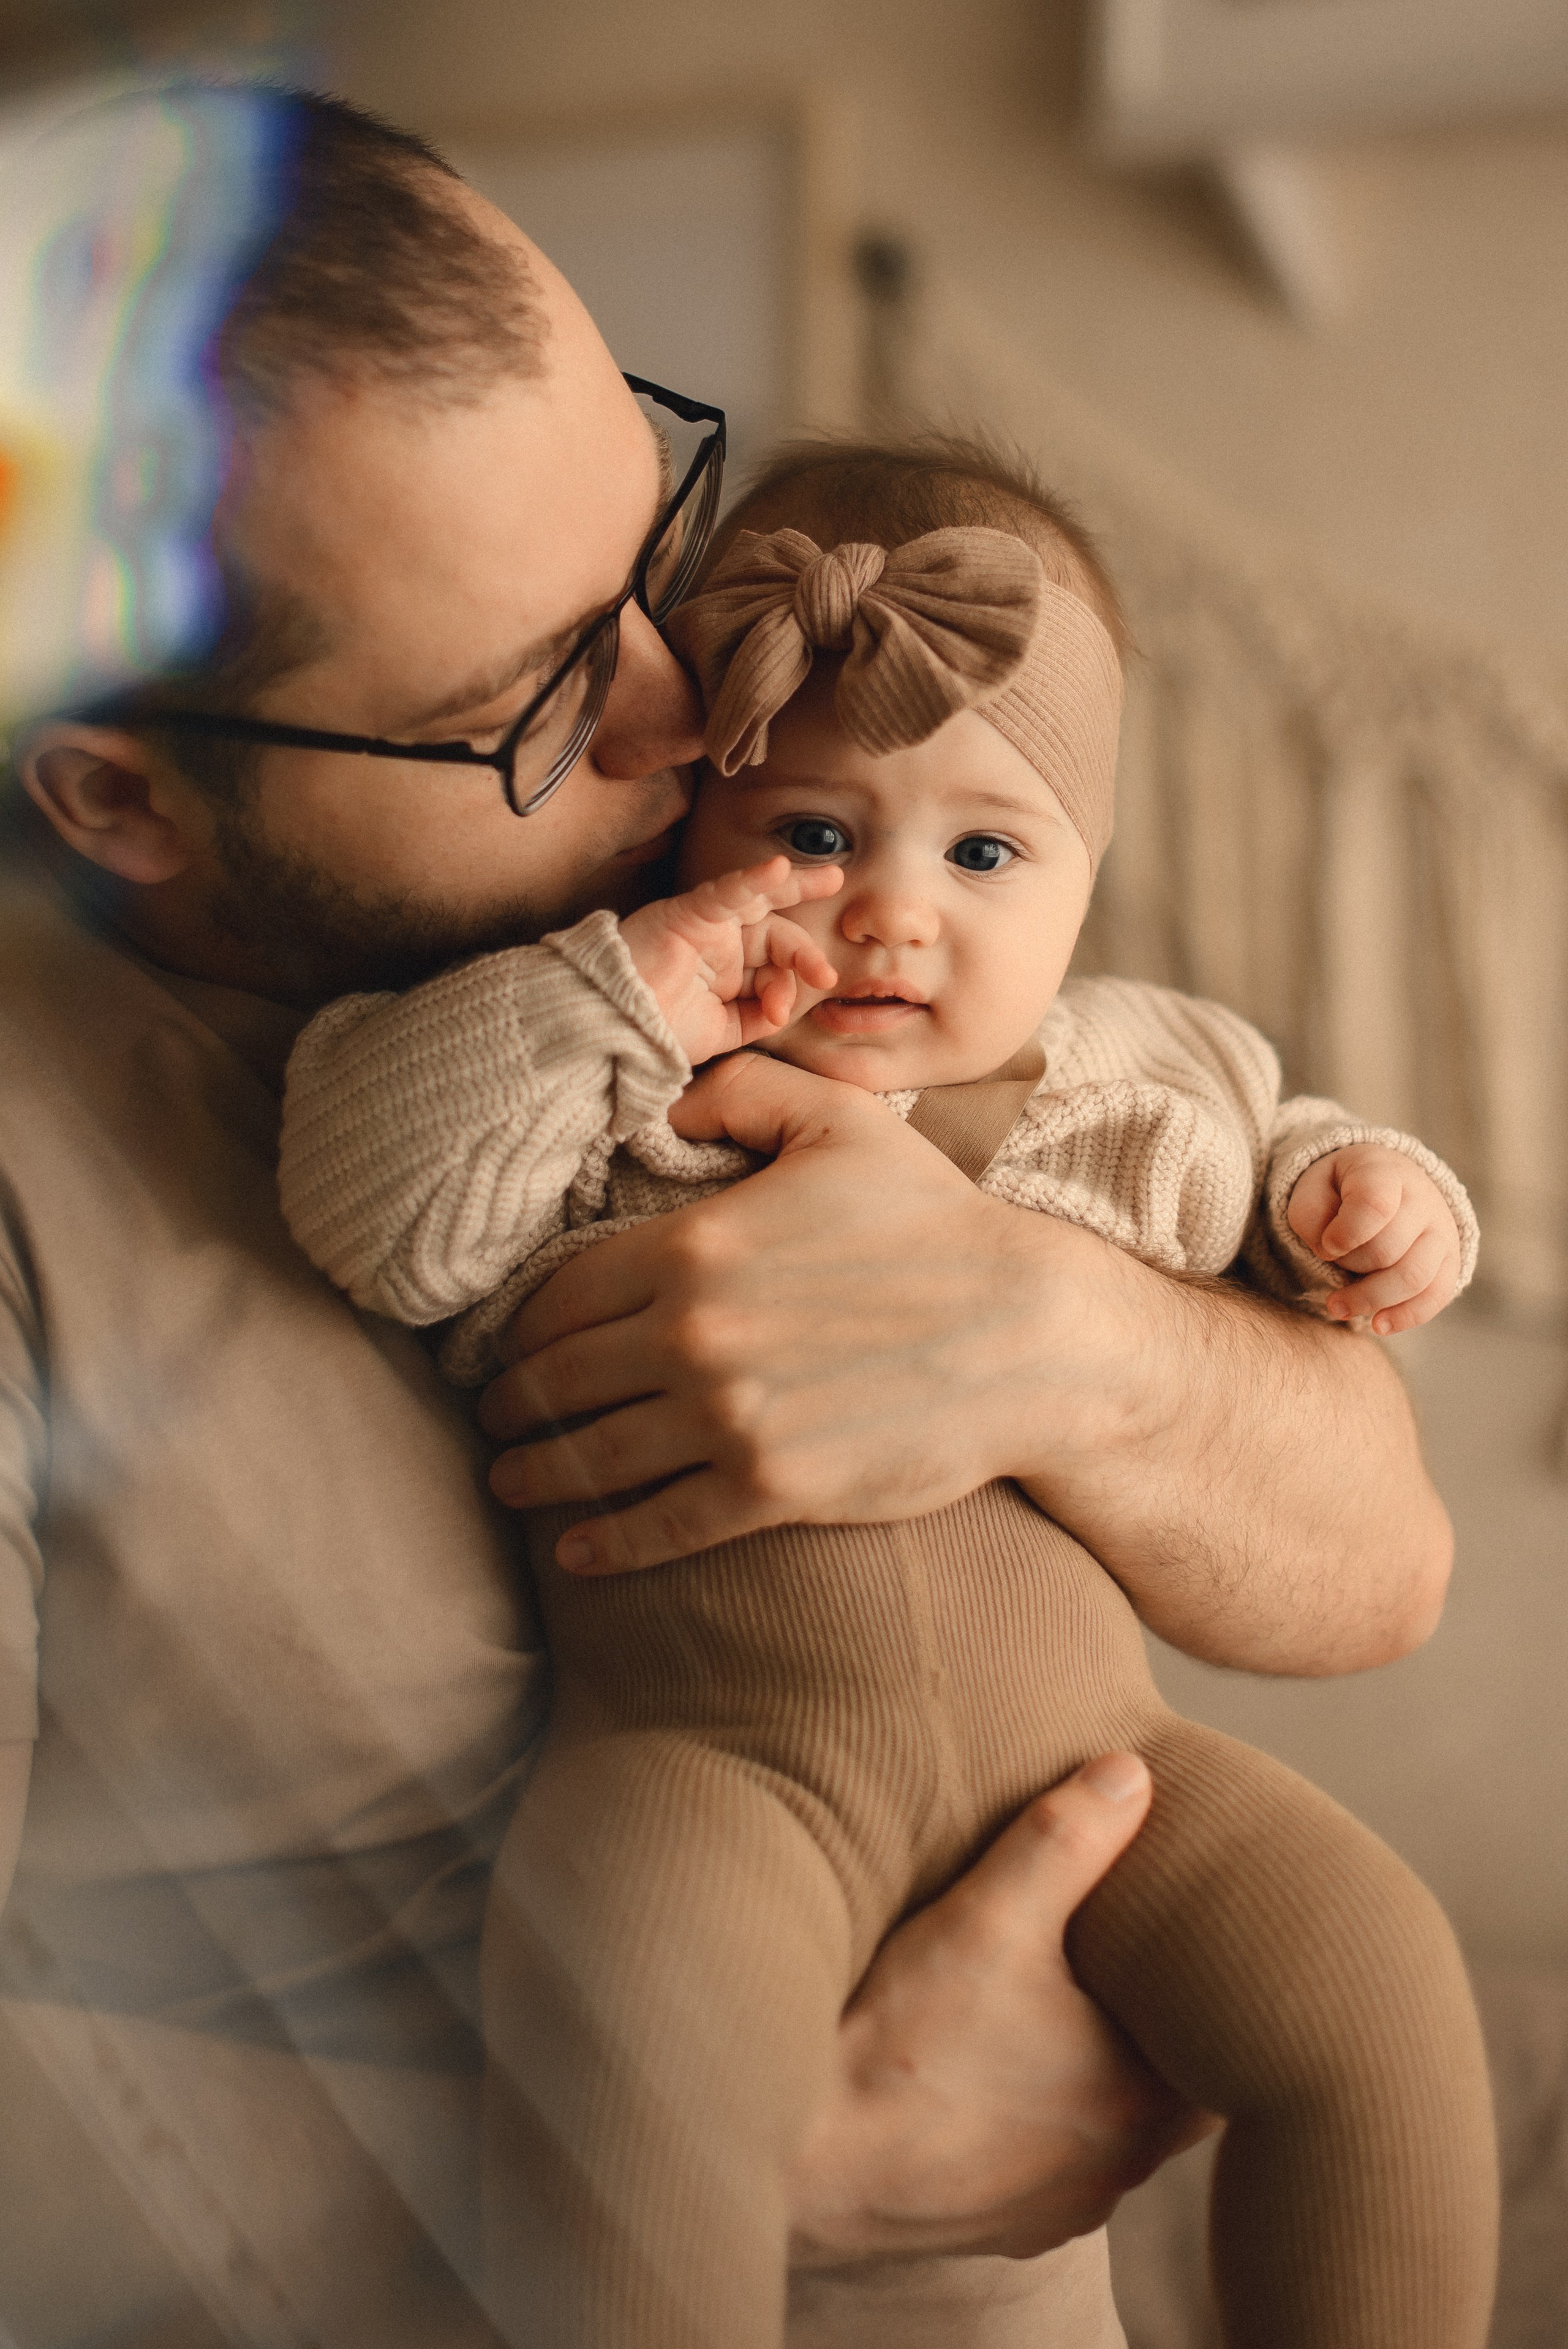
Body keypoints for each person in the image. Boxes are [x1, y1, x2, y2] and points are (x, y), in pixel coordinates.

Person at [0, 83, 1455, 2347]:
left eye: (654, 555)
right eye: (537, 693)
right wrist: (788, 2164)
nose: (695, 721)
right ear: (121, 792)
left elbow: (1381, 1563)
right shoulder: (120, 1153)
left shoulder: (1030, 1061)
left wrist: (1059, 1335)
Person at [277, 449, 1494, 2349]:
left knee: (1378, 1980)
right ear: (687, 822)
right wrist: (624, 994)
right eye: (814, 833)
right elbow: (370, 1197)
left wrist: (1384, 1202)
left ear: (1087, 877)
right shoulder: (605, 1042)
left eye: (985, 852)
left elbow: (1305, 1198)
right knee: (642, 2065)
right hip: (719, 1761)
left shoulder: (1157, 1075)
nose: (889, 915)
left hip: (1113, 1768)